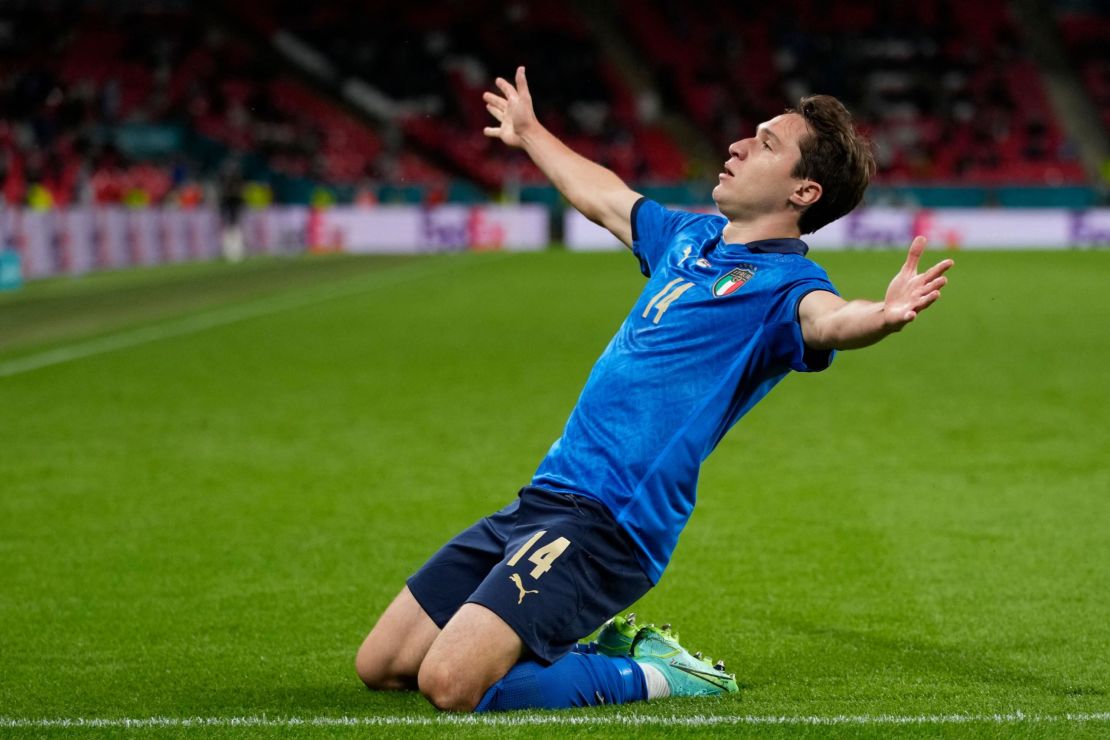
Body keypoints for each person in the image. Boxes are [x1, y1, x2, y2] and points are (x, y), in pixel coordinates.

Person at [355, 66, 953, 713]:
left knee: (451, 685)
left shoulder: (783, 287)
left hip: (610, 524)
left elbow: (828, 320)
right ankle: (565, 649)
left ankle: (655, 674)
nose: (738, 148)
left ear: (804, 191)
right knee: (383, 665)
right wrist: (530, 133)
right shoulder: (688, 239)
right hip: (545, 499)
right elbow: (606, 196)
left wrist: (881, 318)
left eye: (766, 144)